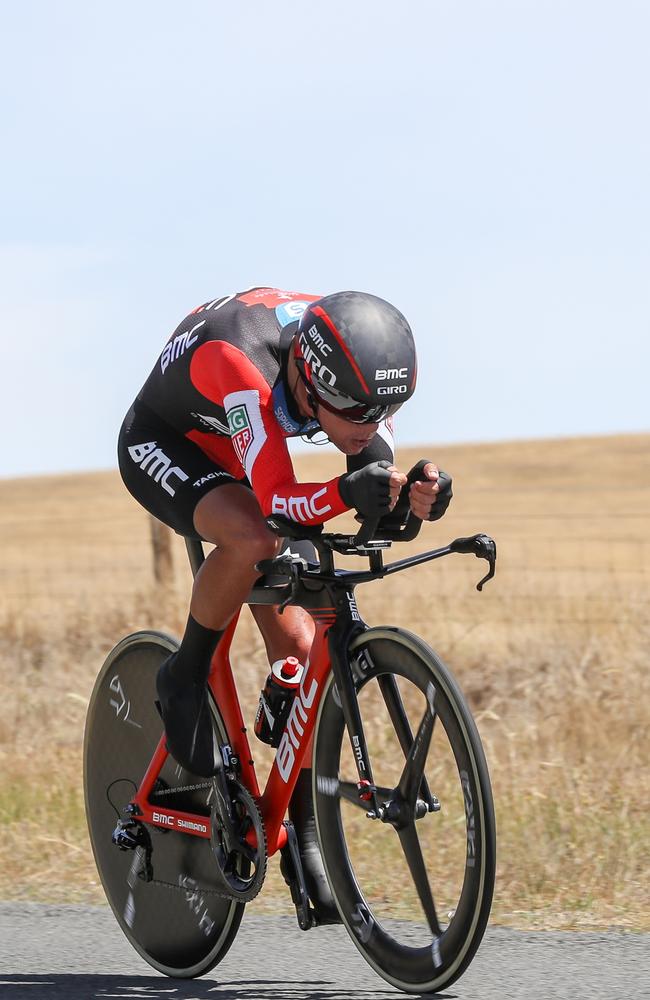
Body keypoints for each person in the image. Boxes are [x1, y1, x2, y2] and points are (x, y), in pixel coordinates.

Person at [117, 286, 452, 923]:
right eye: (359, 413)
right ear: (311, 382)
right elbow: (276, 505)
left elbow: (363, 493)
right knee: (254, 536)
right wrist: (346, 491)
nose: (372, 427)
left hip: (248, 443)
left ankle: (300, 832)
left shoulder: (349, 372)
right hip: (170, 440)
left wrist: (408, 505)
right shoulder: (244, 364)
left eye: (388, 410)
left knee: (302, 649)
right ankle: (183, 675)